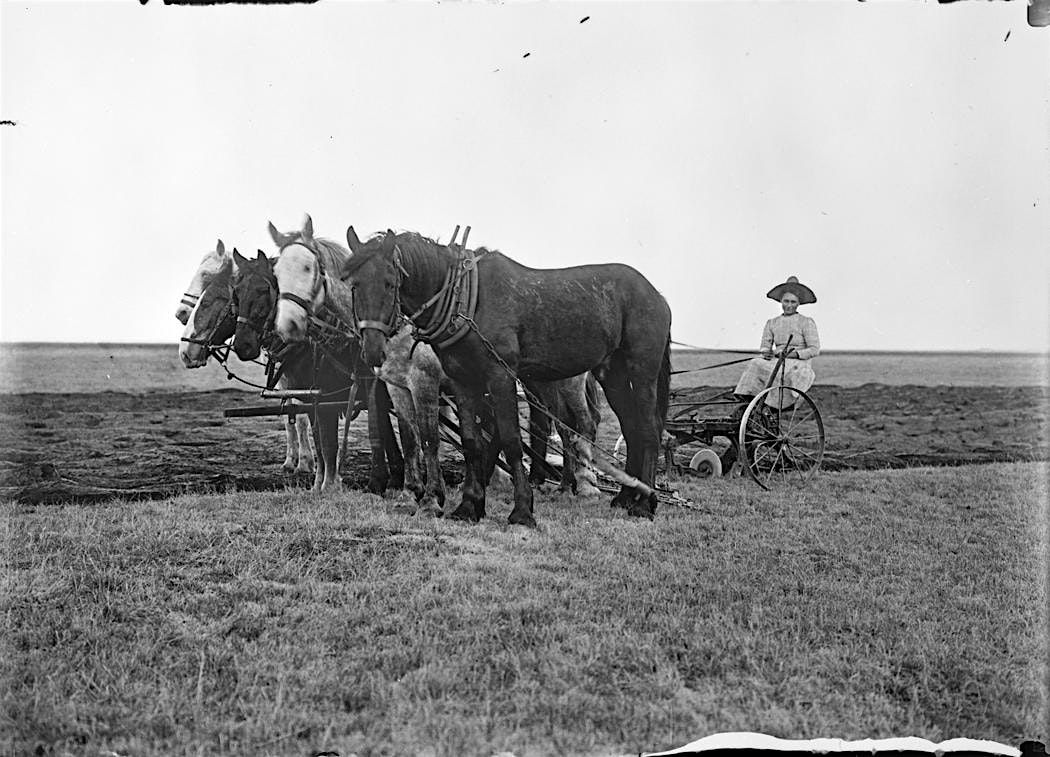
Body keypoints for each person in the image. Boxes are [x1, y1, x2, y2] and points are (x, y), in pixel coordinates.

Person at [734, 276, 820, 408]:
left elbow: (814, 349)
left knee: (774, 369)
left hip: (798, 365)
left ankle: (773, 404)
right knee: (755, 362)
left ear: (798, 303)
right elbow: (765, 345)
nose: (789, 305)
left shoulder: (806, 322)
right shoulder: (772, 323)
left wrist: (791, 354)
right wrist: (766, 352)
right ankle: (747, 397)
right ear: (781, 302)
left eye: (793, 302)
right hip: (777, 360)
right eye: (786, 301)